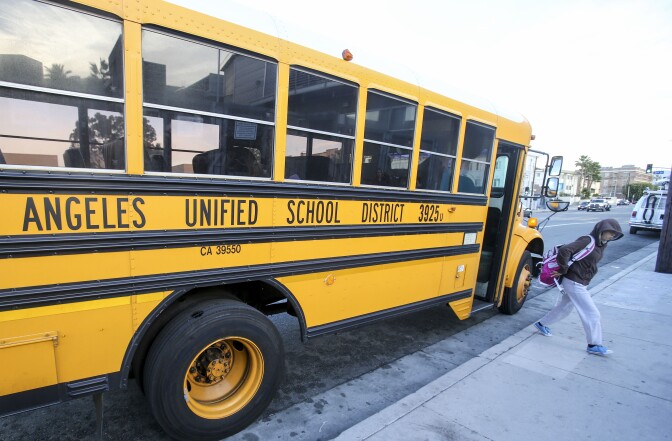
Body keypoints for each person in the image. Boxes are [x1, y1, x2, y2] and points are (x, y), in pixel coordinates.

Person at [534, 218, 623, 356]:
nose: (613, 236)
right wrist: (564, 269)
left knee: (564, 308)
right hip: (574, 282)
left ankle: (541, 324)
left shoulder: (601, 244)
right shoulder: (588, 240)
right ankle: (594, 344)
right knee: (592, 313)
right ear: (602, 229)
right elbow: (565, 250)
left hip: (579, 282)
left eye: (615, 234)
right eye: (611, 232)